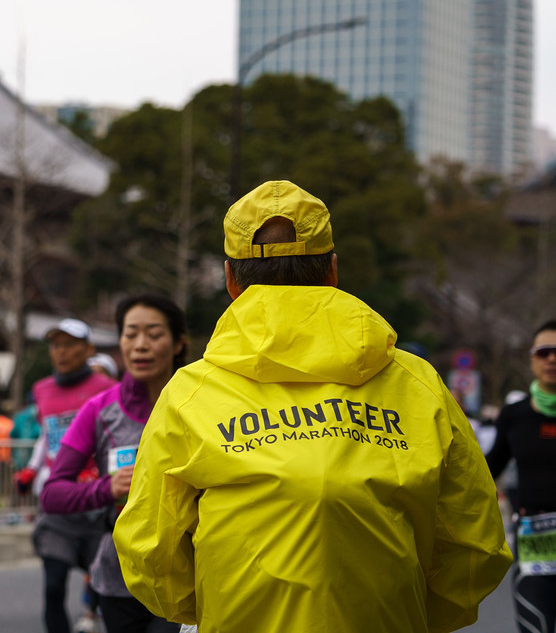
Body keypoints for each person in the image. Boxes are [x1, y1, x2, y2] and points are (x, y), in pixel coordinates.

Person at [113, 180, 512, 632]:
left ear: (230, 279)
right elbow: (476, 541)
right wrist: (413, 614)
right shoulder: (417, 383)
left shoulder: (190, 392)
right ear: (332, 270)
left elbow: (148, 548)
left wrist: (210, 609)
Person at [42, 293, 187, 633]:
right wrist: (108, 488)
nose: (140, 345)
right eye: (130, 334)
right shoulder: (99, 410)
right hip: (119, 577)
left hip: (187, 574)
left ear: (179, 343)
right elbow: (52, 494)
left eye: (153, 334)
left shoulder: (201, 404)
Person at [17, 319, 116, 633]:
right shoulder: (42, 389)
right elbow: (46, 438)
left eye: (70, 345)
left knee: (110, 592)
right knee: (53, 588)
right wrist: (32, 471)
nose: (61, 352)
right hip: (59, 502)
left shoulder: (108, 389)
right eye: (56, 345)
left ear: (88, 349)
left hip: (100, 501)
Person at [486, 319, 556, 633]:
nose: (552, 359)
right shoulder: (515, 416)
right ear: (531, 360)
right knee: (535, 626)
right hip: (535, 540)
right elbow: (487, 470)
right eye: (543, 352)